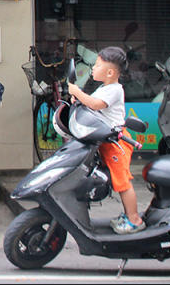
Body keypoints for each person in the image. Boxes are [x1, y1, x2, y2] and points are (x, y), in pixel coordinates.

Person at [68, 46, 144, 234]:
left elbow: (94, 104)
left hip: (117, 144)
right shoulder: (105, 88)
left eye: (97, 65)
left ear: (110, 72)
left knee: (122, 182)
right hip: (106, 141)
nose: (93, 68)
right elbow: (90, 106)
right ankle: (128, 216)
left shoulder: (114, 90)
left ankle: (134, 219)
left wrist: (77, 92)